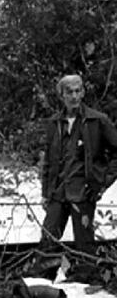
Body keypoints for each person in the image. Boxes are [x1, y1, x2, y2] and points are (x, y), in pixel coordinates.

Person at [40, 74, 117, 251]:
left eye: (78, 91)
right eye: (69, 92)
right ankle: (41, 278)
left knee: (84, 243)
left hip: (83, 193)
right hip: (58, 192)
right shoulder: (55, 123)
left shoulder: (97, 121)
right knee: (48, 239)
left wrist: (102, 182)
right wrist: (45, 192)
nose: (74, 96)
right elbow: (49, 161)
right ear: (62, 95)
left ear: (83, 93)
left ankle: (86, 276)